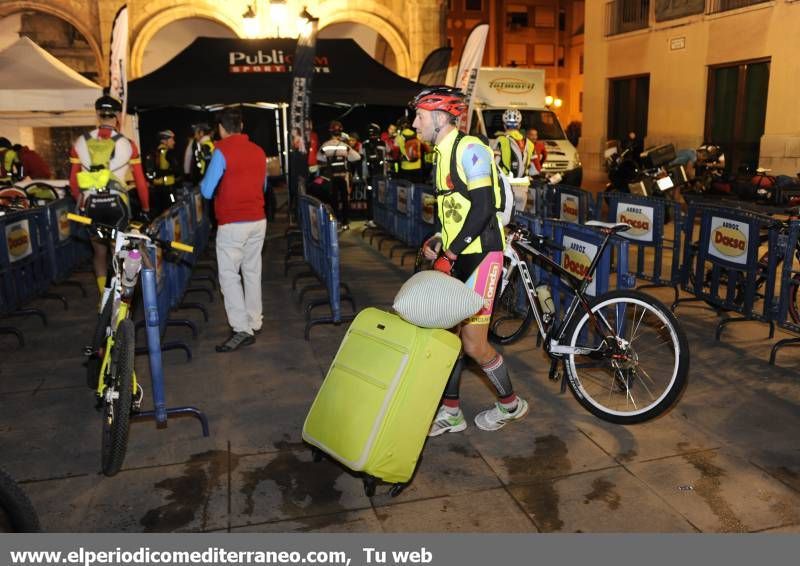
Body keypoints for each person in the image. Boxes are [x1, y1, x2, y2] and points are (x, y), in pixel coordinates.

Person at [411, 86, 528, 436]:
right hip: (460, 252)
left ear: (439, 117)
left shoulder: (470, 149)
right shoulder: (439, 154)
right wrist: (437, 240)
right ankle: (451, 413)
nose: (414, 123)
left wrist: (450, 252)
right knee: (449, 337)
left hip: (482, 254)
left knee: (474, 343)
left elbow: (481, 209)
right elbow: (454, 212)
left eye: (419, 116)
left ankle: (511, 405)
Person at [199, 107, 267, 353]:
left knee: (229, 276)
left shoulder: (222, 150)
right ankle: (254, 320)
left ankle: (241, 328)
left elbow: (207, 191)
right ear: (242, 126)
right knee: (252, 270)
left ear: (222, 128)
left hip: (232, 222)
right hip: (258, 219)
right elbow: (264, 185)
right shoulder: (259, 151)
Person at [69, 94, 150, 295]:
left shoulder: (80, 142)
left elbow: (73, 183)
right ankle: (121, 297)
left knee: (99, 252)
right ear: (117, 116)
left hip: (91, 204)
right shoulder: (128, 144)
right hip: (117, 205)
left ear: (97, 114)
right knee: (120, 250)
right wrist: (146, 208)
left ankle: (103, 299)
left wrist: (81, 202)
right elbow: (140, 182)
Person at [317, 120, 360, 231]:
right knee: (345, 200)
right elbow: (357, 157)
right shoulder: (344, 146)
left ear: (330, 132)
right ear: (340, 132)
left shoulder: (325, 145)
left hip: (332, 178)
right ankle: (345, 223)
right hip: (343, 177)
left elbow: (319, 157)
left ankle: (334, 223)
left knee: (333, 200)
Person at [360, 123, 388, 228]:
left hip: (373, 175)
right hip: (376, 175)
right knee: (378, 197)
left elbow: (362, 160)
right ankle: (374, 218)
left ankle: (373, 219)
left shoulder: (365, 144)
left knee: (373, 197)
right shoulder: (383, 143)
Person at [493, 108, 535, 178]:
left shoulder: (500, 140)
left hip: (506, 182)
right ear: (519, 125)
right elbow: (534, 170)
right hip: (523, 183)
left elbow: (494, 163)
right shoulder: (530, 143)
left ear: (504, 125)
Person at [151, 129, 180, 215]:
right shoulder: (168, 153)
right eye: (171, 139)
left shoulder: (155, 152)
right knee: (173, 209)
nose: (174, 142)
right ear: (164, 140)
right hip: (168, 189)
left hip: (157, 188)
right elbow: (177, 170)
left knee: (160, 212)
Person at [396, 118, 425, 183]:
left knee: (406, 190)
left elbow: (395, 147)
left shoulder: (399, 136)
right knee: (417, 188)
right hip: (417, 165)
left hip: (406, 166)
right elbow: (424, 144)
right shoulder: (416, 134)